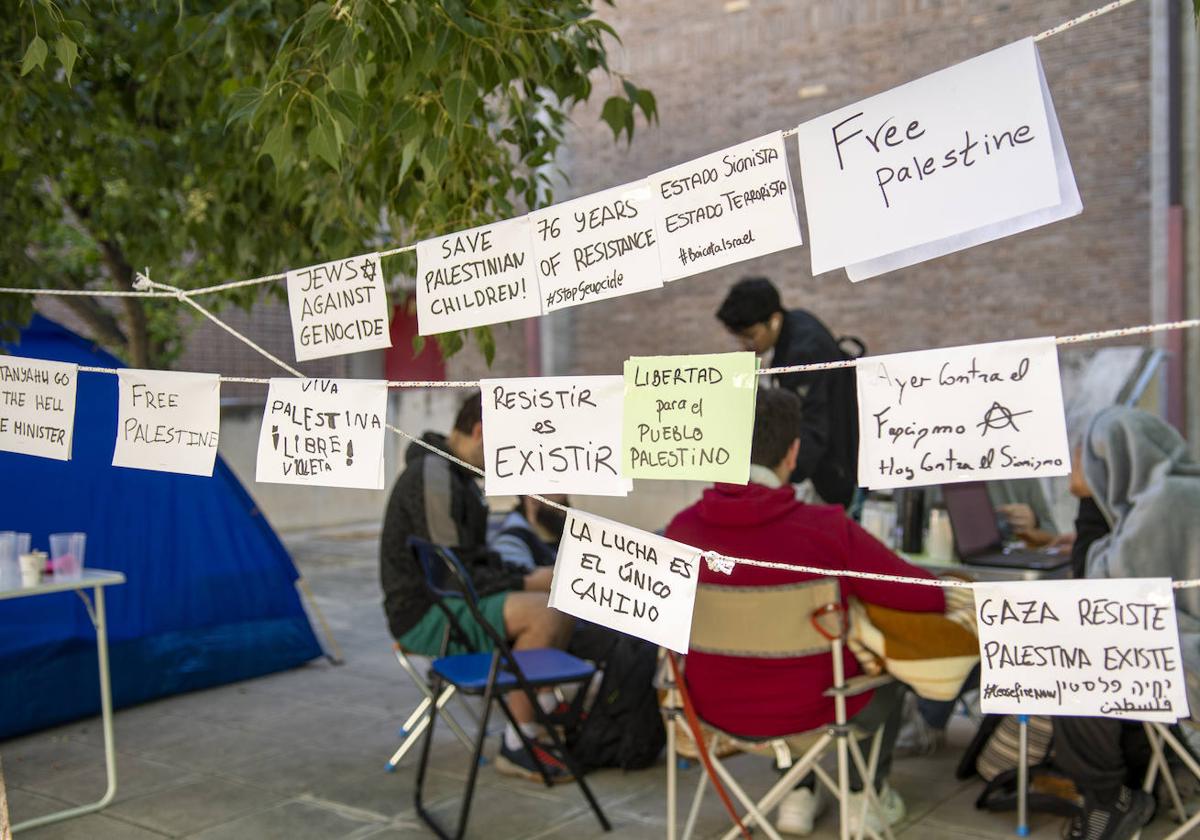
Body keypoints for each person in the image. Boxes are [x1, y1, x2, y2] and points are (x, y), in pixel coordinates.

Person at [665, 388, 945, 836]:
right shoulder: (827, 529)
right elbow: (923, 597)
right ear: (793, 453)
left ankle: (797, 794)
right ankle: (862, 797)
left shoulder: (680, 530)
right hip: (818, 712)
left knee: (782, 671)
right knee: (889, 676)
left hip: (709, 711)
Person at [379, 392, 576, 783]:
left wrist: (533, 575)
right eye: (504, 448)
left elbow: (474, 559)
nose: (506, 462)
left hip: (446, 600)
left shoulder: (459, 476)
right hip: (425, 613)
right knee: (549, 610)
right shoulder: (435, 476)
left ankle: (537, 714)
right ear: (481, 431)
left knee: (561, 595)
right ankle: (519, 744)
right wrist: (527, 580)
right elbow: (453, 573)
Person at [1051, 407, 1200, 840]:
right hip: (1182, 655)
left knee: (1068, 665)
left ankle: (1108, 797)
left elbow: (1098, 593)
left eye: (1083, 457)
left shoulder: (1164, 504)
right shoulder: (1180, 491)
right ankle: (1164, 768)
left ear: (1109, 456)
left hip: (1188, 669)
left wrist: (1087, 503)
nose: (1075, 466)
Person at [716, 277, 861, 508]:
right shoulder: (795, 322)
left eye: (751, 336)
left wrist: (774, 482)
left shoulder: (804, 351)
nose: (745, 345)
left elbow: (812, 426)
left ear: (773, 320)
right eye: (740, 338)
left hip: (832, 471)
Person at [490, 494, 568, 570]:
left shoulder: (559, 530)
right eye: (556, 493)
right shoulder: (511, 540)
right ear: (532, 498)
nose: (564, 497)